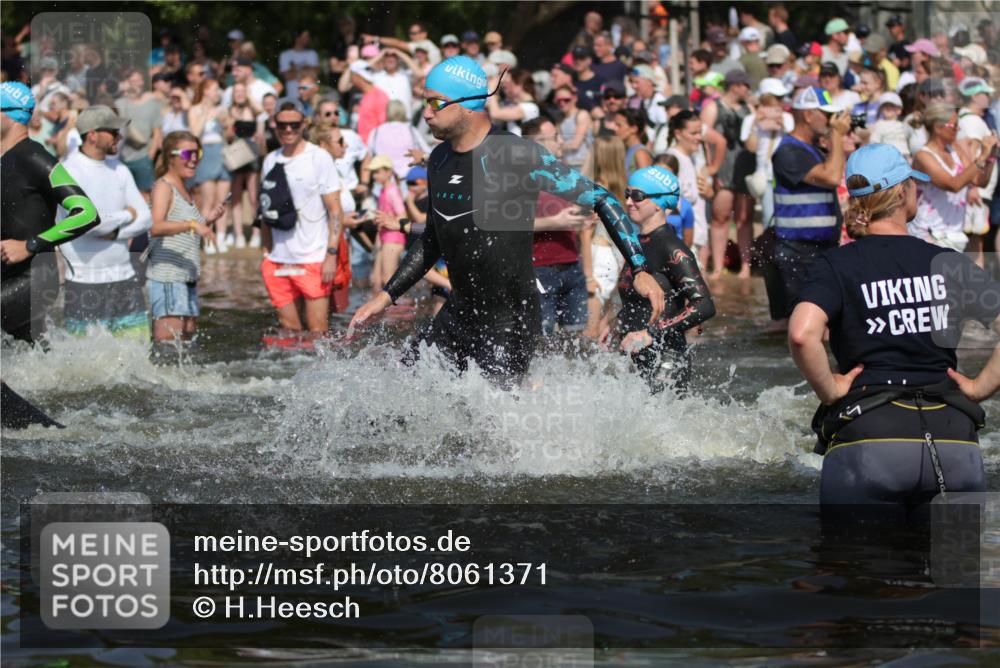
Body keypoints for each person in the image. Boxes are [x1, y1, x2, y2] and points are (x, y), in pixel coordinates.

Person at [349, 57, 664, 388]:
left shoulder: (516, 155)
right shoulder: (439, 159)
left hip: (508, 322)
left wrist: (640, 268)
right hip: (457, 314)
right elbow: (432, 239)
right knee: (402, 397)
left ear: (469, 105)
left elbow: (602, 199)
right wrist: (385, 296)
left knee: (493, 430)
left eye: (435, 102)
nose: (426, 112)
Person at [790, 143, 996, 510]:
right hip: (953, 439)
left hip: (869, 439)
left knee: (856, 564)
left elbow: (802, 334)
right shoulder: (948, 261)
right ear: (903, 192)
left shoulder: (835, 264)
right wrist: (981, 386)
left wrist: (831, 389)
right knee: (958, 566)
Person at [1, 82, 101, 429]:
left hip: (34, 278)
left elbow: (86, 212)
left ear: (10, 116)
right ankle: (32, 429)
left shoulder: (34, 156)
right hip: (9, 279)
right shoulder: (3, 159)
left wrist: (29, 245)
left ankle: (46, 432)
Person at [600, 166, 715, 393]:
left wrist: (650, 333)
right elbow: (639, 302)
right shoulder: (636, 244)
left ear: (659, 203)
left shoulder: (671, 247)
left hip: (667, 360)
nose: (630, 201)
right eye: (627, 194)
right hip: (637, 356)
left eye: (638, 196)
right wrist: (618, 322)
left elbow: (705, 305)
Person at [58, 106, 152, 338]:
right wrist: (127, 215)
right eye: (113, 131)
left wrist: (115, 233)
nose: (119, 137)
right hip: (84, 281)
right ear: (92, 134)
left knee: (139, 357)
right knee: (85, 365)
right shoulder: (68, 171)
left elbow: (147, 217)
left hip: (124, 277)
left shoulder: (119, 168)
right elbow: (88, 222)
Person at [259, 98, 343, 338]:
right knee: (289, 332)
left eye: (294, 125)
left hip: (313, 258)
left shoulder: (319, 158)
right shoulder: (270, 159)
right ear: (274, 124)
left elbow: (335, 212)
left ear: (304, 124)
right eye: (282, 125)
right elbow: (264, 211)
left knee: (317, 333)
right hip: (278, 260)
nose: (287, 130)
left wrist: (331, 254)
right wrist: (265, 254)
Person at [770, 87, 850, 326]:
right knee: (800, 326)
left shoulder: (811, 149)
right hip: (796, 251)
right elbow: (833, 176)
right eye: (826, 114)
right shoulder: (789, 151)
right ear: (808, 114)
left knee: (822, 324)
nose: (831, 120)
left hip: (817, 248)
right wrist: (837, 136)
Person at [147, 131, 223, 343]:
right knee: (169, 344)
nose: (194, 160)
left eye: (197, 154)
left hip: (187, 277)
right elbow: (156, 226)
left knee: (187, 338)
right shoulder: (164, 186)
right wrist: (192, 224)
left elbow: (183, 230)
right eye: (188, 154)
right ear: (171, 157)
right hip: (168, 277)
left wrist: (207, 221)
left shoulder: (186, 189)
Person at [522, 117, 590, 336]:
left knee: (577, 340)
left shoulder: (563, 174)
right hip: (539, 270)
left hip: (572, 267)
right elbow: (510, 225)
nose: (561, 141)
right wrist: (555, 222)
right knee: (542, 339)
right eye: (555, 137)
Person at [910, 103, 996, 251]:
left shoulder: (955, 149)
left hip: (954, 232)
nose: (959, 129)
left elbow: (978, 181)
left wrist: (991, 156)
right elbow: (953, 185)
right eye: (955, 125)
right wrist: (981, 157)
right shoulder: (923, 156)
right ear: (938, 127)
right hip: (928, 233)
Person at [702, 69, 755, 279]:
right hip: (722, 167)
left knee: (745, 218)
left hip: (745, 166)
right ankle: (717, 266)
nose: (748, 90)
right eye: (745, 86)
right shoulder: (713, 107)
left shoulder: (748, 108)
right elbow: (704, 140)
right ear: (734, 85)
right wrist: (710, 169)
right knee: (720, 216)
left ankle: (746, 266)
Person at [580, 135, 627, 338]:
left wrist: (588, 275)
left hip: (599, 257)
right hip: (616, 257)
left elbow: (584, 230)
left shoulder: (594, 189)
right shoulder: (624, 189)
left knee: (590, 333)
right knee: (603, 332)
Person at [188, 78, 231, 253]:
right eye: (215, 89)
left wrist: (225, 123)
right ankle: (208, 237)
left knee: (222, 201)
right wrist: (205, 113)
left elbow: (228, 135)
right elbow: (195, 134)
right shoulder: (194, 110)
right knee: (208, 200)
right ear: (206, 91)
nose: (218, 92)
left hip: (222, 152)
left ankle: (221, 237)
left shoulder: (222, 109)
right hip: (205, 153)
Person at [224, 81, 263, 249]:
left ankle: (256, 233)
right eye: (236, 91)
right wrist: (232, 123)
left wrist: (248, 96)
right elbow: (227, 135)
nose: (239, 94)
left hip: (252, 153)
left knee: (254, 197)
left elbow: (261, 111)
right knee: (237, 197)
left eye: (242, 91)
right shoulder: (229, 111)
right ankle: (238, 233)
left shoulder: (252, 109)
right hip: (237, 153)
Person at [115, 68, 163, 195]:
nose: (139, 83)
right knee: (124, 194)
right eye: (134, 80)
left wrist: (149, 156)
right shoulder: (119, 103)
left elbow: (157, 132)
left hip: (143, 157)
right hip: (122, 157)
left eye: (140, 80)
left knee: (145, 194)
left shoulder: (153, 104)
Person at [485, 67, 539, 136]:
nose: (504, 86)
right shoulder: (513, 105)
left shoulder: (531, 107)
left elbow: (495, 114)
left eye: (507, 83)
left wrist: (493, 90)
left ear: (519, 84)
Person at [553, 86, 592, 171]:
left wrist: (560, 147)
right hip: (567, 166)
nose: (562, 103)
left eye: (566, 100)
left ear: (574, 98)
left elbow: (575, 145)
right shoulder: (559, 120)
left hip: (583, 165)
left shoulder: (582, 115)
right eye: (559, 100)